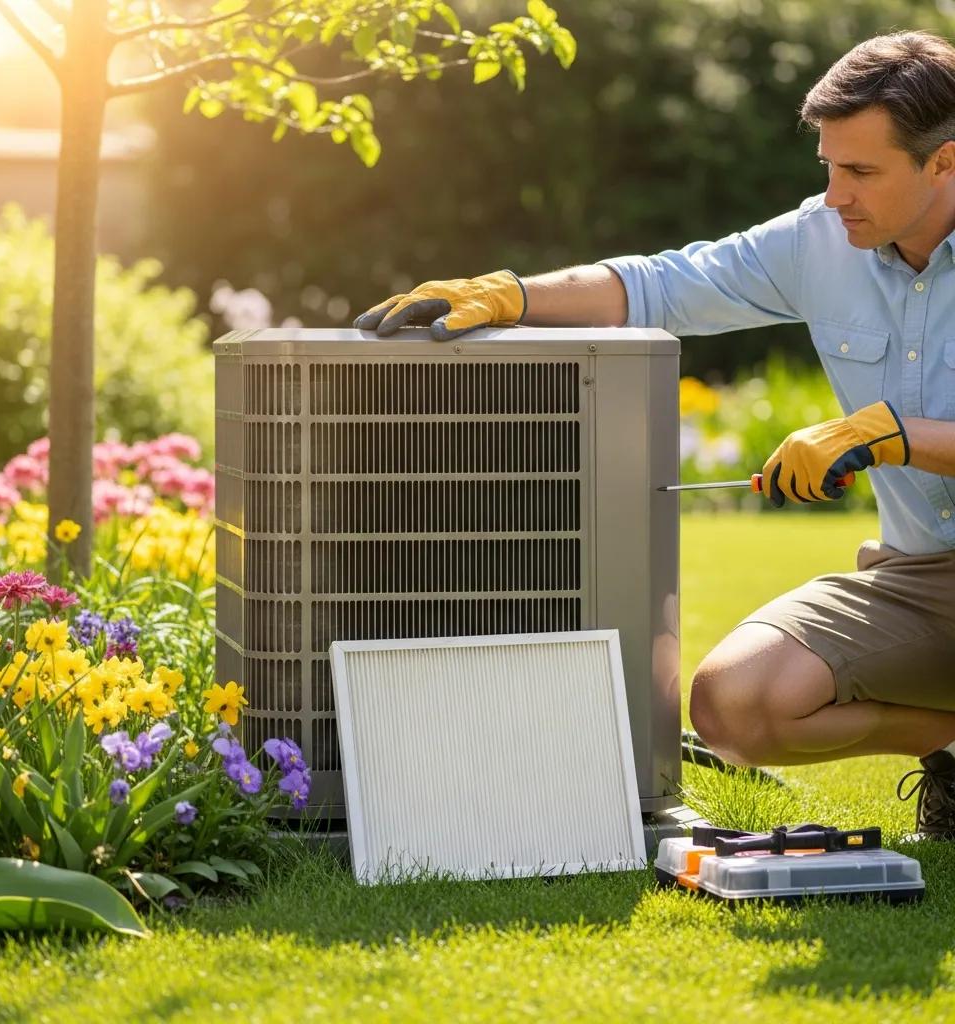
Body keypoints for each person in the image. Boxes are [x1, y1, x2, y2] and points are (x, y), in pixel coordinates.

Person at [354, 31, 955, 839]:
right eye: (829, 168)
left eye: (862, 172)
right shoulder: (822, 240)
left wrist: (894, 434)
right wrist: (510, 295)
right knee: (736, 704)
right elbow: (663, 284)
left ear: (943, 163)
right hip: (920, 577)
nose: (837, 194)